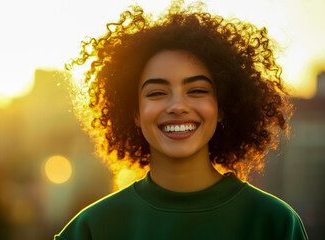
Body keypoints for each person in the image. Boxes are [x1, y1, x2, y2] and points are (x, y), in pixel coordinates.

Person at [55, 1, 308, 239]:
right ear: (134, 112)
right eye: (157, 93)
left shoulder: (276, 224)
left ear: (222, 107)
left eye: (197, 90)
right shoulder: (90, 230)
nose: (177, 106)